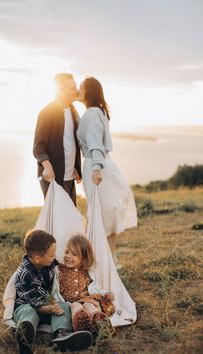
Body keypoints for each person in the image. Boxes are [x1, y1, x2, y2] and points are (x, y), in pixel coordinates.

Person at [77, 77, 137, 269]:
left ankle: (101, 260)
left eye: (81, 87)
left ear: (89, 91)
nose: (78, 89)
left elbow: (95, 143)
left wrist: (96, 168)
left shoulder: (92, 114)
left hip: (97, 166)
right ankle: (111, 259)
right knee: (106, 213)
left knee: (100, 213)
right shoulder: (98, 112)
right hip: (104, 164)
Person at [13, 230, 93, 353]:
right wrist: (49, 308)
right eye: (51, 255)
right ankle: (24, 335)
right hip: (28, 305)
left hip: (46, 305)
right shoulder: (25, 274)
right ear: (38, 258)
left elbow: (63, 272)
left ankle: (62, 334)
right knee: (28, 313)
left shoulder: (48, 263)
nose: (55, 257)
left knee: (63, 306)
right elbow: (33, 302)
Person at [33, 73, 81, 205]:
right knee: (56, 220)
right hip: (52, 176)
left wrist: (74, 166)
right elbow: (38, 146)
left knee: (71, 218)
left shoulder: (74, 112)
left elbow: (70, 142)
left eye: (75, 86)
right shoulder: (46, 113)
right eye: (72, 88)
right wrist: (47, 166)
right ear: (60, 91)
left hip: (70, 176)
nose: (76, 90)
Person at [57, 235, 115, 332]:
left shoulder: (87, 272)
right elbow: (56, 289)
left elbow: (96, 288)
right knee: (76, 306)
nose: (68, 256)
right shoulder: (60, 271)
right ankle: (80, 324)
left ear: (84, 258)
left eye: (74, 254)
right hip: (71, 302)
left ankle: (99, 322)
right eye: (67, 252)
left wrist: (105, 293)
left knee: (89, 305)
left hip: (87, 299)